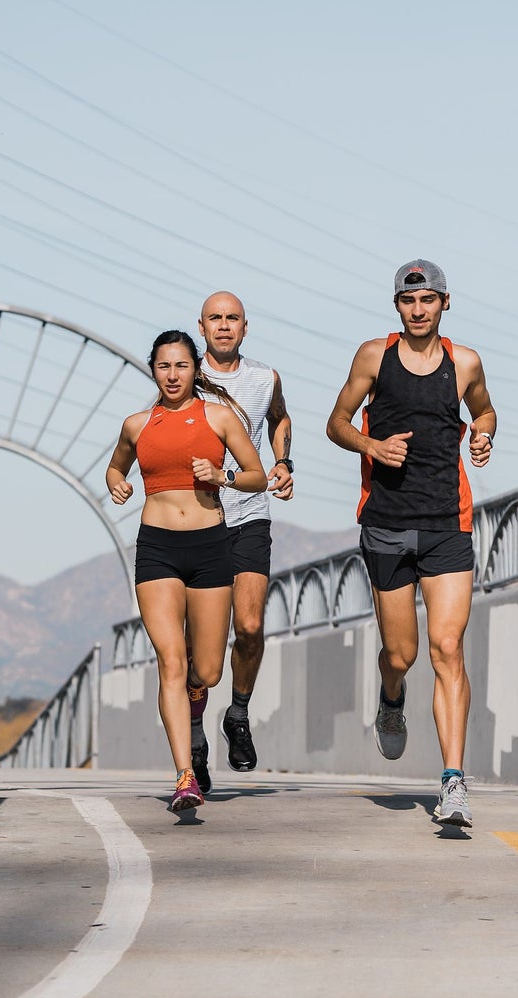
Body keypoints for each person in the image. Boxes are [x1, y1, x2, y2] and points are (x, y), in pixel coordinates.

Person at [325, 259, 496, 829]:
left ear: (446, 302)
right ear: (397, 306)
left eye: (428, 300)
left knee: (449, 648)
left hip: (449, 521)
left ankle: (452, 782)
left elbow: (485, 409)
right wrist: (371, 448)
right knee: (403, 653)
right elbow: (337, 422)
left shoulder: (464, 361)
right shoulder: (374, 356)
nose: (418, 310)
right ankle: (391, 695)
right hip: (387, 523)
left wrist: (485, 432)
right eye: (408, 301)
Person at [105, 330, 268, 813]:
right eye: (163, 366)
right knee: (171, 660)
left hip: (210, 546)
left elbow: (256, 475)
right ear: (153, 370)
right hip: (157, 549)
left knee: (208, 670)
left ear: (195, 369)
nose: (172, 375)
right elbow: (116, 468)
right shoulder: (137, 424)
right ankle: (184, 776)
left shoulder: (218, 417)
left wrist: (223, 477)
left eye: (180, 366)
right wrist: (119, 485)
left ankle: (200, 712)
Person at [195, 291, 295, 789]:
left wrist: (283, 462)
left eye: (232, 318)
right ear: (202, 326)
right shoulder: (183, 378)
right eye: (216, 318)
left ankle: (237, 713)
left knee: (250, 626)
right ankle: (194, 736)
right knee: (201, 645)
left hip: (251, 513)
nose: (224, 326)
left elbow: (280, 418)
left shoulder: (263, 378)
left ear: (245, 327)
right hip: (200, 520)